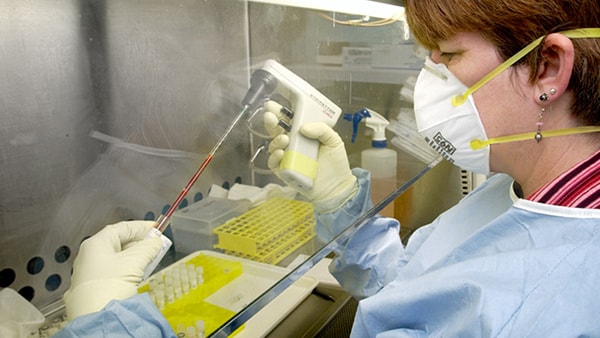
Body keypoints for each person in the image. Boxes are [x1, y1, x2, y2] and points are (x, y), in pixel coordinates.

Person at [58, 0, 600, 336]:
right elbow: (423, 295)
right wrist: (343, 205)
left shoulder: (555, 303)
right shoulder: (521, 194)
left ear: (547, 67)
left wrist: (108, 326)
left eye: (449, 55)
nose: (426, 80)